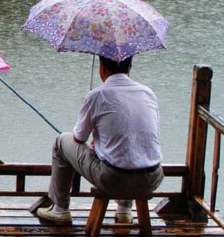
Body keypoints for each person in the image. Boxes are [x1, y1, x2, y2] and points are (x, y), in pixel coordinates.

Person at [36, 56, 163, 225]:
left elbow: (79, 138)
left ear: (102, 66)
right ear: (129, 66)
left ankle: (60, 208)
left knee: (61, 142)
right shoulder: (148, 93)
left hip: (114, 181)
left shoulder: (97, 95)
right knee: (131, 149)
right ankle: (125, 211)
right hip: (152, 179)